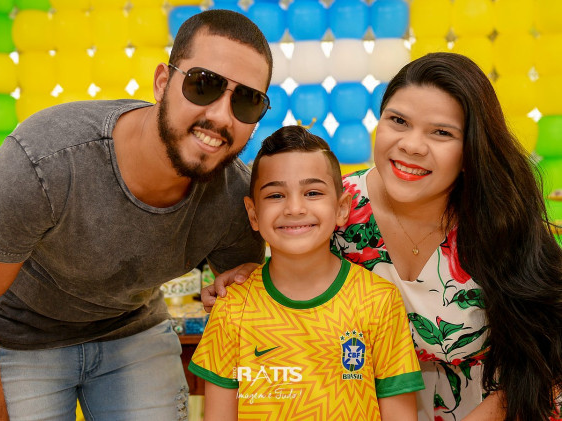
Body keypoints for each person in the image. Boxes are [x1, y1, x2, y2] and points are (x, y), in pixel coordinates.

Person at [203, 53, 562, 421]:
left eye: (441, 132)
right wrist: (251, 276)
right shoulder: (332, 208)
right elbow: (295, 273)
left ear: (471, 149)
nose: (412, 145)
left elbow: (548, 352)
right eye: (398, 121)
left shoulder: (498, 218)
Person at [0, 9, 272, 420]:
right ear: (162, 83)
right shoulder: (46, 160)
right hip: (19, 334)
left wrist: (242, 289)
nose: (222, 116)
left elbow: (247, 314)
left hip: (132, 327)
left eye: (247, 100)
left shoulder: (236, 198)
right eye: (204, 84)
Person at [190, 125, 425, 421]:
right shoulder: (232, 306)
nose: (295, 208)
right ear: (253, 214)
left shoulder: (379, 301)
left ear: (341, 208)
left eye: (312, 192)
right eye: (276, 195)